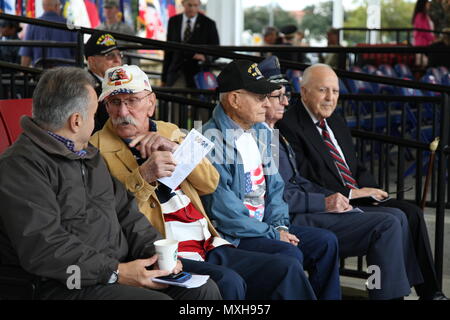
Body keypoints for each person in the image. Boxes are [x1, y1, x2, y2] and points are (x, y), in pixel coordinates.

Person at [90, 64, 318, 300]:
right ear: (106, 107)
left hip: (208, 241)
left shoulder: (170, 131)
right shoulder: (96, 149)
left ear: (151, 103)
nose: (123, 111)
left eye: (132, 100)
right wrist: (144, 177)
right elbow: (108, 217)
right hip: (167, 251)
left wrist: (176, 149)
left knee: (287, 268)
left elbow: (209, 182)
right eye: (114, 102)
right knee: (229, 282)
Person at [0, 66, 221, 300]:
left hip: (114, 268)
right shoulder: (21, 166)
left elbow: (126, 211)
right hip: (65, 282)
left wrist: (156, 254)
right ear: (76, 121)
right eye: (95, 113)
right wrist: (116, 272)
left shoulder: (88, 154)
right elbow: (44, 248)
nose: (98, 121)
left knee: (203, 292)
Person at [276, 63, 448, 300]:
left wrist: (370, 190)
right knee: (394, 219)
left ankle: (429, 292)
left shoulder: (334, 120)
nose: (330, 98)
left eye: (335, 91)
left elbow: (355, 166)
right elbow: (307, 177)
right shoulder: (289, 125)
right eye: (323, 90)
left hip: (357, 194)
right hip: (331, 201)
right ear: (304, 92)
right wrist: (351, 194)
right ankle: (387, 291)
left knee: (411, 213)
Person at [200, 59, 341, 300]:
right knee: (288, 255)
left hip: (267, 228)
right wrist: (274, 235)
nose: (267, 103)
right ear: (234, 99)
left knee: (326, 243)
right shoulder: (209, 140)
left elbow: (276, 189)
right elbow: (227, 215)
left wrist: (280, 227)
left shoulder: (262, 131)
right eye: (259, 96)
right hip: (234, 236)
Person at [162, 0, 219, 88]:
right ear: (183, 4)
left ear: (199, 5)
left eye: (195, 5)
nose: (192, 8)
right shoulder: (173, 21)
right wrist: (164, 78)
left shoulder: (209, 24)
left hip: (198, 74)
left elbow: (217, 50)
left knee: (196, 101)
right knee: (176, 99)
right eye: (189, 5)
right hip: (176, 73)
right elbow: (168, 52)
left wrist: (205, 57)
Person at [19, 0, 77, 68]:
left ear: (43, 7)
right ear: (56, 6)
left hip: (40, 73)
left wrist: (23, 74)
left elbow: (26, 55)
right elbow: (77, 53)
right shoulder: (69, 24)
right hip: (64, 74)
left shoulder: (33, 25)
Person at [84, 32, 123, 132]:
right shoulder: (86, 89)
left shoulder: (123, 82)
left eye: (119, 54)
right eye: (109, 55)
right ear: (92, 61)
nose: (117, 60)